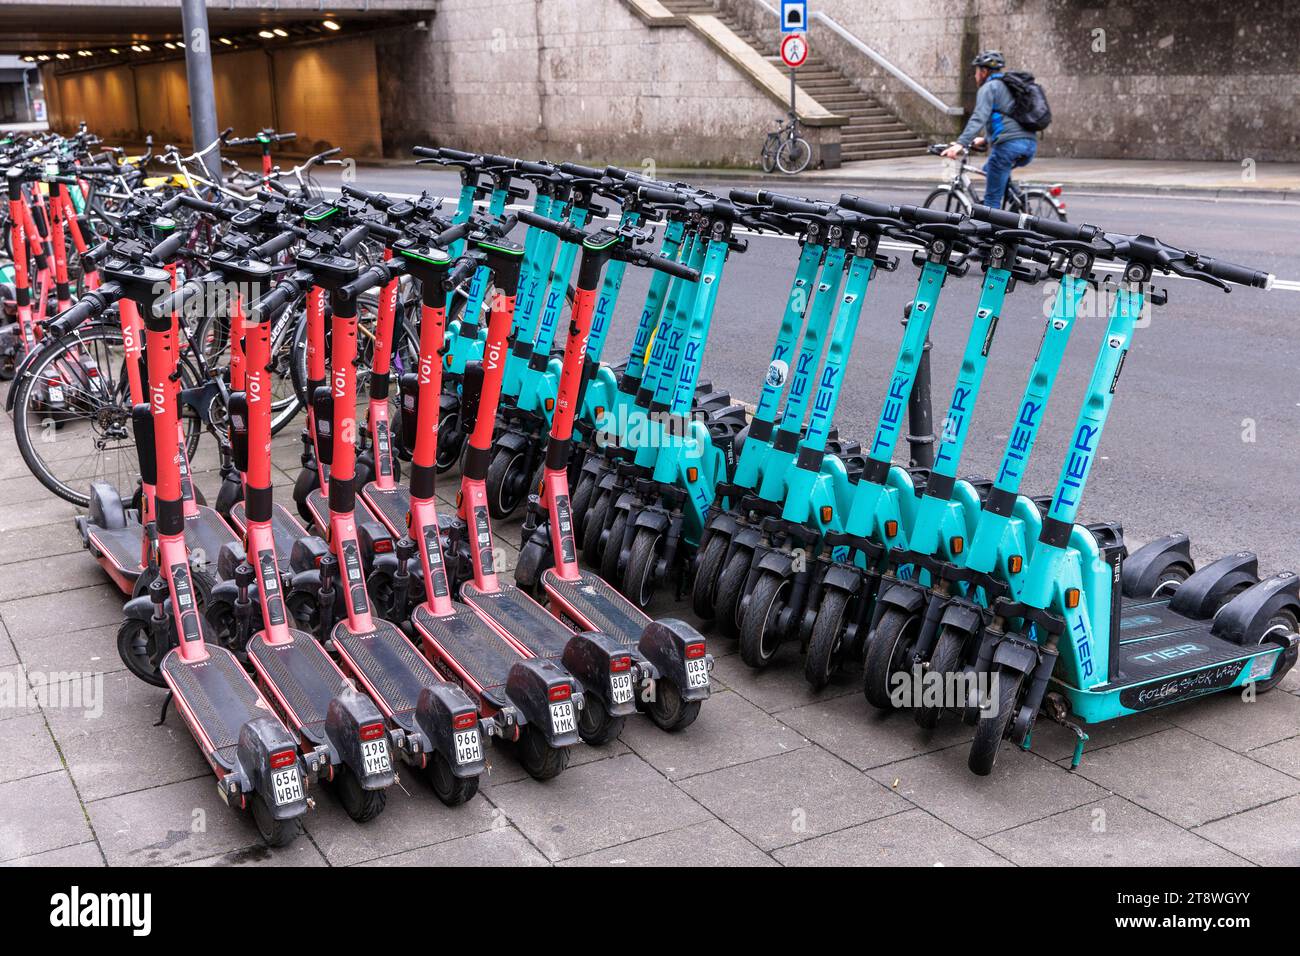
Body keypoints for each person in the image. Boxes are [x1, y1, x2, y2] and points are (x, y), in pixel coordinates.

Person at [942, 51, 1037, 209]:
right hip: (1030, 144)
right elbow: (1007, 119)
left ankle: (992, 230)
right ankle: (1019, 202)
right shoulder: (1010, 86)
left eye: (977, 71)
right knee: (991, 169)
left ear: (984, 72)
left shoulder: (989, 87)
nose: (975, 75)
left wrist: (960, 143)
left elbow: (979, 117)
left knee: (992, 200)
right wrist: (986, 140)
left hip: (1009, 146)